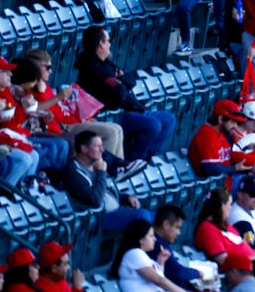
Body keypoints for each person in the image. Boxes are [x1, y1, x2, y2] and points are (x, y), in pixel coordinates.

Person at [75, 26, 178, 160]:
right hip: (116, 113)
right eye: (107, 41)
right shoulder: (91, 68)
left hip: (130, 108)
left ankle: (147, 157)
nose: (110, 44)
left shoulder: (106, 62)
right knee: (153, 125)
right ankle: (133, 160)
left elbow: (131, 80)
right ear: (100, 44)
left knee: (169, 119)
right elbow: (120, 93)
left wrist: (120, 80)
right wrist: (121, 80)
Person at [62, 129, 154, 235]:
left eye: (102, 146)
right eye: (98, 146)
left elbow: (106, 190)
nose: (102, 150)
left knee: (157, 217)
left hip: (116, 210)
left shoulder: (96, 165)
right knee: (142, 216)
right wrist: (101, 172)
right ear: (84, 149)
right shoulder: (73, 171)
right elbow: (95, 199)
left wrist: (125, 198)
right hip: (98, 220)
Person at [111, 218, 203, 292]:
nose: (154, 239)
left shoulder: (142, 256)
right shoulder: (134, 253)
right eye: (151, 236)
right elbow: (158, 280)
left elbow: (158, 279)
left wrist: (160, 262)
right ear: (141, 239)